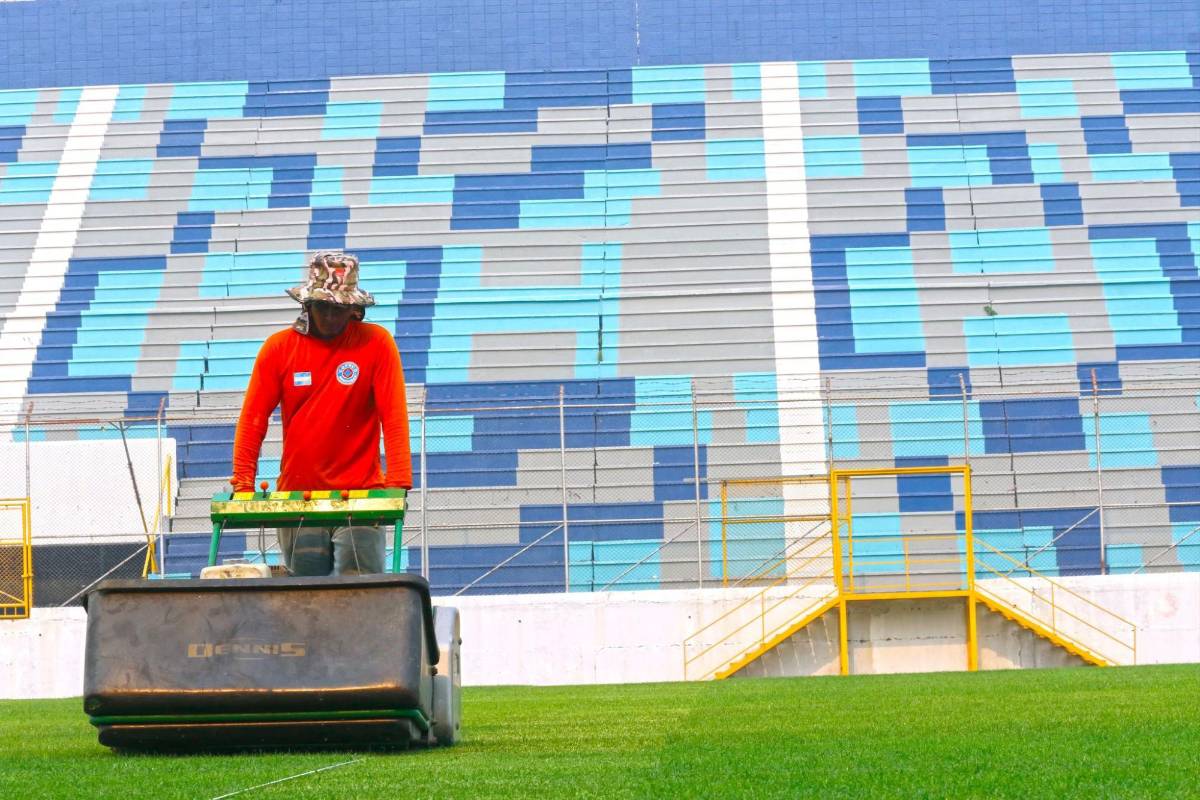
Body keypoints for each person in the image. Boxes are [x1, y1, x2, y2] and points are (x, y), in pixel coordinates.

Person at [231, 251, 412, 576]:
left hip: (361, 495)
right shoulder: (279, 349)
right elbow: (253, 420)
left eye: (338, 309)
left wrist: (397, 484)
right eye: (322, 307)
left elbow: (394, 416)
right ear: (307, 304)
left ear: (353, 308)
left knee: (360, 588)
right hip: (298, 496)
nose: (330, 316)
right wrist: (243, 483)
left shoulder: (376, 344)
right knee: (305, 591)